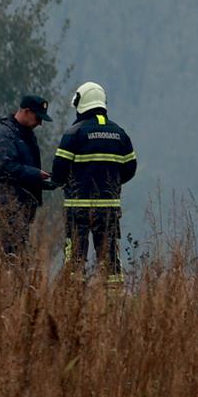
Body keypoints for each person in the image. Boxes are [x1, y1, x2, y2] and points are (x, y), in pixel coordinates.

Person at [51, 82, 137, 284]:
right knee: (110, 261)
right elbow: (130, 168)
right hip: (109, 209)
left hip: (78, 210)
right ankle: (114, 304)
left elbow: (59, 171)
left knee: (75, 261)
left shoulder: (73, 134)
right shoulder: (120, 134)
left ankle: (72, 303)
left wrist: (60, 182)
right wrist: (112, 184)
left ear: (81, 103)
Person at [0, 95, 54, 256]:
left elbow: (19, 174)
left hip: (20, 210)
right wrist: (35, 173)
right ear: (26, 112)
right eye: (38, 117)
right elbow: (2, 167)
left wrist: (43, 183)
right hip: (5, 209)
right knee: (10, 258)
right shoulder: (3, 136)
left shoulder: (25, 137)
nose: (40, 123)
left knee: (19, 258)